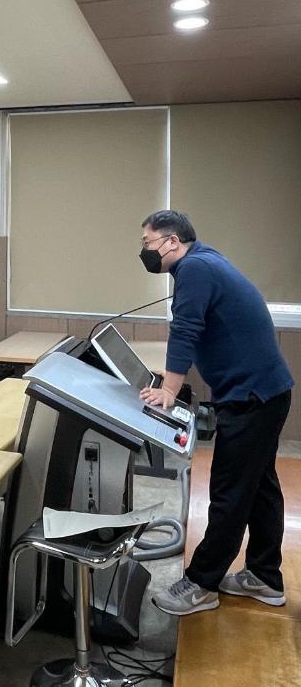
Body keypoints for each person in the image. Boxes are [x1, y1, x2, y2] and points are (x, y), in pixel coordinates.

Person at [138, 210, 294, 615]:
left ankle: (202, 584)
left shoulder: (194, 269)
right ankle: (264, 576)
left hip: (251, 398)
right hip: (267, 392)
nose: (145, 251)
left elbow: (185, 329)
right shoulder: (205, 260)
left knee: (230, 492)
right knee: (259, 486)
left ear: (172, 242)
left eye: (148, 243)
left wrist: (169, 390)